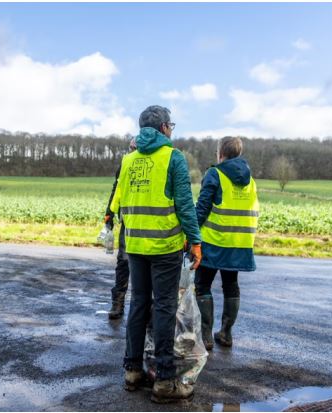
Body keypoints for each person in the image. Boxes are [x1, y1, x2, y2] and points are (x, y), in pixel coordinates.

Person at [110, 105, 202, 403]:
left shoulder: (128, 160)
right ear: (164, 128)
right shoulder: (173, 157)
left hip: (135, 245)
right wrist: (195, 241)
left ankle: (132, 371)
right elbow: (185, 205)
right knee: (163, 308)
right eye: (170, 126)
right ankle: (164, 380)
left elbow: (121, 202)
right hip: (165, 246)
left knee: (138, 304)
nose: (171, 130)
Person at [194, 136, 259, 350]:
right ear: (238, 154)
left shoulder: (215, 174)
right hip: (239, 242)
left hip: (214, 241)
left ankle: (206, 336)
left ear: (220, 153)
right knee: (231, 285)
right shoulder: (250, 180)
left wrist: (191, 232)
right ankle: (226, 333)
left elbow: (202, 208)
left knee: (203, 285)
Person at [104, 138, 137, 319]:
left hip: (148, 225)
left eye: (134, 148)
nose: (131, 151)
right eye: (130, 148)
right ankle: (117, 303)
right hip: (127, 223)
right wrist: (109, 213)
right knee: (123, 263)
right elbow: (116, 190)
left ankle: (147, 311)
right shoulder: (124, 165)